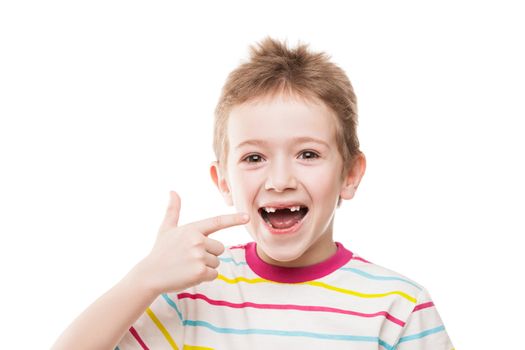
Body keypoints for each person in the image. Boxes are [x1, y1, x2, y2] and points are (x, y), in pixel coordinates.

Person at [51, 37, 454, 350]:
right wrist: (143, 280)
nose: (280, 180)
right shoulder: (192, 293)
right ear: (224, 181)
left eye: (308, 154)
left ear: (350, 174)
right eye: (254, 157)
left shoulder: (398, 306)